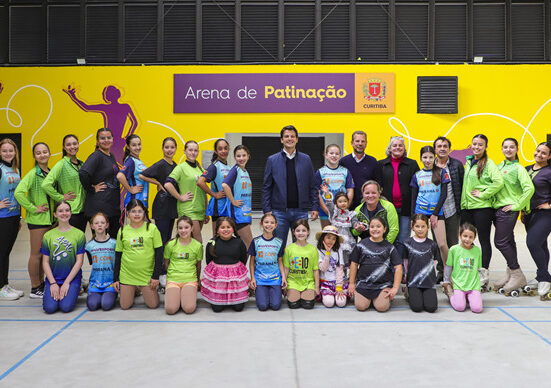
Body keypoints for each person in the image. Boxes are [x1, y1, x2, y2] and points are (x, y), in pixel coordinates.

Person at [262, 125, 319, 247]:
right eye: (286, 136)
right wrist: (267, 210)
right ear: (281, 140)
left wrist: (314, 206)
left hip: (301, 212)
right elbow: (267, 187)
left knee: (299, 247)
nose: (289, 138)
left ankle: (296, 267)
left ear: (297, 139)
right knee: (278, 247)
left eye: (292, 136)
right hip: (279, 212)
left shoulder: (306, 159)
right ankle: (280, 267)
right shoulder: (272, 160)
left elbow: (313, 185)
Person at [461, 134, 504, 291]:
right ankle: (467, 270)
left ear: (485, 146)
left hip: (482, 208)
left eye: (480, 145)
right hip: (466, 208)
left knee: (484, 241)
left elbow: (498, 182)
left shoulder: (489, 163)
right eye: (474, 144)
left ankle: (483, 274)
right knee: (466, 241)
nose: (477, 147)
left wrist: (483, 194)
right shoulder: (468, 161)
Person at [492, 138, 534, 295]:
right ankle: (510, 274)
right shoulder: (498, 167)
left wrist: (518, 206)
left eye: (511, 147)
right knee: (508, 241)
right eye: (505, 147)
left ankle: (517, 273)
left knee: (500, 242)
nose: (508, 149)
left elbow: (529, 188)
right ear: (501, 149)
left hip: (508, 210)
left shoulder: (518, 168)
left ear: (516, 149)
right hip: (497, 210)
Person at [15, 142, 54, 299]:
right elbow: (19, 193)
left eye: (45, 152)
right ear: (34, 156)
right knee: (36, 255)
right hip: (38, 221)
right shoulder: (32, 174)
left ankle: (42, 283)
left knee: (45, 255)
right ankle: (35, 287)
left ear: (50, 153)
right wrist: (33, 208)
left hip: (50, 220)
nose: (42, 155)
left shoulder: (50, 172)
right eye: (38, 153)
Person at [113, 199, 163, 310]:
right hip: (127, 274)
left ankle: (141, 288)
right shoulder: (122, 231)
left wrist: (155, 276)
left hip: (146, 275)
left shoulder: (152, 228)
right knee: (125, 306)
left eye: (139, 211)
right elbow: (118, 255)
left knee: (153, 305)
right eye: (133, 211)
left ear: (144, 212)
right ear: (127, 213)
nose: (136, 214)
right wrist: (116, 278)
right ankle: (134, 289)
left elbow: (159, 254)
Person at [410, 145, 450, 275]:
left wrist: (434, 214)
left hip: (437, 213)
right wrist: (413, 217)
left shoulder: (442, 172)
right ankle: (424, 273)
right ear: (421, 158)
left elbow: (444, 195)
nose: (428, 160)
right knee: (422, 246)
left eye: (431, 157)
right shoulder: (417, 175)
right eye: (425, 157)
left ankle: (448, 274)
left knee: (442, 244)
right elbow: (413, 197)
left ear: (435, 157)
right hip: (420, 214)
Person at [348, 216, 403, 312]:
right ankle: (369, 299)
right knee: (361, 306)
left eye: (378, 226)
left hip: (382, 285)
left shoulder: (390, 247)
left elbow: (398, 267)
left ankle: (379, 299)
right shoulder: (361, 245)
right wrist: (352, 283)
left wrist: (394, 288)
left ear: (384, 229)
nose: (375, 229)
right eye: (372, 227)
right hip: (364, 284)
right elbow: (354, 264)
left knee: (381, 307)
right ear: (369, 228)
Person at [41, 201, 86, 314]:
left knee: (66, 307)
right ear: (55, 214)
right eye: (60, 211)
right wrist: (52, 283)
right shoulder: (48, 235)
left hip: (71, 278)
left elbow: (79, 262)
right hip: (54, 278)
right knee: (50, 308)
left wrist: (67, 283)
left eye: (67, 210)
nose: (64, 213)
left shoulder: (79, 234)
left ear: (71, 213)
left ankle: (76, 287)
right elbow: (45, 262)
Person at [378, 136, 420, 256]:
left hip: (406, 209)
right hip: (387, 209)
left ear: (404, 148)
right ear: (390, 148)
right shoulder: (381, 164)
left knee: (402, 240)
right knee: (388, 238)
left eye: (400, 145)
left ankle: (400, 268)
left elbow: (417, 187)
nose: (397, 147)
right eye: (394, 145)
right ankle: (388, 267)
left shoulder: (412, 164)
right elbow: (377, 186)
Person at [201, 217, 249, 312]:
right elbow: (209, 260)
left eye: (228, 227)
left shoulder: (239, 242)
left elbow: (243, 259)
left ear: (233, 229)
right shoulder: (212, 243)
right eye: (222, 227)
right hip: (219, 279)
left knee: (238, 308)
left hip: (234, 278)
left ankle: (234, 298)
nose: (226, 230)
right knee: (217, 309)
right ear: (217, 230)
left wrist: (234, 269)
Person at [79, 128, 121, 237]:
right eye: (102, 138)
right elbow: (83, 173)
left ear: (112, 139)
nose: (106, 140)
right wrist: (91, 188)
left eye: (109, 137)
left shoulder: (110, 156)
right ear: (97, 141)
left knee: (114, 242)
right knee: (98, 244)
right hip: (99, 207)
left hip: (112, 206)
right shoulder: (96, 156)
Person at [42, 134, 87, 232]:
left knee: (80, 242)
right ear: (64, 147)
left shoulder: (81, 163)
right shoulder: (61, 164)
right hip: (71, 211)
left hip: (83, 211)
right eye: (68, 145)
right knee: (70, 243)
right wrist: (61, 197)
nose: (72, 147)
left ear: (78, 144)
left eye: (74, 144)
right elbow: (46, 184)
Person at [165, 140, 208, 243]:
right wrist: (180, 197)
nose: (193, 152)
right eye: (190, 150)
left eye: (195, 150)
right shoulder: (181, 168)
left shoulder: (200, 169)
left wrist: (206, 212)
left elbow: (204, 191)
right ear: (185, 151)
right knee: (198, 243)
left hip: (200, 210)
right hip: (188, 210)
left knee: (191, 243)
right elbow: (167, 184)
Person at [524, 142, 551, 299]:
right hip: (529, 213)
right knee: (541, 244)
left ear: (549, 156)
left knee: (532, 242)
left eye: (544, 153)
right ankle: (541, 275)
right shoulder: (527, 169)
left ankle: (545, 277)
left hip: (545, 214)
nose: (539, 154)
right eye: (538, 151)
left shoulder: (549, 171)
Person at [139, 137, 178, 244]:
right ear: (162, 148)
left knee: (168, 239)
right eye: (166, 147)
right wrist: (157, 183)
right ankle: (159, 261)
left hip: (172, 206)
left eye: (172, 147)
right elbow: (142, 175)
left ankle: (165, 261)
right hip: (162, 205)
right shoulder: (160, 164)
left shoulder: (175, 165)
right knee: (161, 240)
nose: (169, 150)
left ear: (176, 149)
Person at [164, 216, 203, 315]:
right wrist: (171, 277)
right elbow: (166, 263)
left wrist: (197, 280)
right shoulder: (170, 245)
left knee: (189, 309)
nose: (183, 230)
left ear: (192, 228)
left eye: (186, 227)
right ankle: (177, 296)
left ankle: (185, 296)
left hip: (189, 280)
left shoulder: (197, 246)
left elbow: (198, 266)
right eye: (180, 228)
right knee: (170, 309)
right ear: (177, 229)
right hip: (173, 280)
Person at [442, 223, 483, 313]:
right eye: (465, 236)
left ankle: (468, 297)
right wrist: (446, 281)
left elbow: (479, 269)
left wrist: (480, 283)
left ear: (474, 238)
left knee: (477, 309)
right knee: (460, 307)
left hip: (473, 284)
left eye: (470, 237)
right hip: (458, 284)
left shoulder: (477, 250)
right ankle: (450, 294)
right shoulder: (454, 249)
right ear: (459, 235)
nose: (467, 239)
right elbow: (449, 266)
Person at [249, 213, 286, 311]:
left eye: (272, 223)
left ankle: (274, 292)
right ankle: (263, 293)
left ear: (276, 225)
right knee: (262, 306)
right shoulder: (256, 241)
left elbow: (280, 261)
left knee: (275, 306)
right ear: (261, 224)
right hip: (260, 278)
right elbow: (252, 261)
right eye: (266, 222)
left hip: (275, 278)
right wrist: (252, 278)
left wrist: (283, 277)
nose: (269, 225)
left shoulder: (279, 242)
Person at [433, 136, 464, 251]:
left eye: (445, 146)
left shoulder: (457, 165)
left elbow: (462, 186)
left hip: (453, 210)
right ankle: (441, 268)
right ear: (435, 149)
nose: (442, 149)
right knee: (439, 244)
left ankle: (453, 268)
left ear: (449, 149)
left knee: (453, 243)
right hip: (436, 211)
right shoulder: (430, 166)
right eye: (439, 146)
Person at [403, 215, 439, 313]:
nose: (420, 229)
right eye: (417, 226)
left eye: (423, 226)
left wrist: (433, 277)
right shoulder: (407, 242)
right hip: (413, 281)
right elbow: (405, 261)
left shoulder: (432, 244)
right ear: (412, 227)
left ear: (428, 227)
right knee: (417, 307)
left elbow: (435, 262)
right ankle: (409, 291)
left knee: (431, 308)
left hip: (428, 281)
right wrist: (406, 275)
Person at [0, 138, 22, 301]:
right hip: (2, 217)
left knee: (6, 252)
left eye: (10, 150)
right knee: (1, 252)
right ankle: (1, 287)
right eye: (4, 150)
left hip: (13, 216)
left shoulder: (15, 169)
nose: (8, 153)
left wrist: (19, 216)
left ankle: (5, 284)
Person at [339, 130, 382, 210]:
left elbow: (378, 182)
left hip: (368, 205)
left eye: (363, 141)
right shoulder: (343, 161)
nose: (360, 144)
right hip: (347, 205)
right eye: (357, 141)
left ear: (366, 143)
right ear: (352, 143)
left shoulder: (373, 161)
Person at [315, 144, 354, 228]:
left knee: (342, 236)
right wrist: (325, 209)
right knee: (327, 235)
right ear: (326, 155)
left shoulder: (345, 171)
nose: (334, 156)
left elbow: (350, 190)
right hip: (325, 210)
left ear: (340, 156)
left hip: (342, 210)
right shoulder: (320, 172)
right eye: (331, 153)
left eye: (337, 154)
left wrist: (346, 206)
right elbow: (317, 193)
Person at [283, 219, 319, 309]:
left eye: (304, 230)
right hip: (293, 282)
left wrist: (316, 287)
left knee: (308, 305)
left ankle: (306, 294)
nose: (301, 233)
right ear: (293, 232)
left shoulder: (313, 249)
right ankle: (294, 294)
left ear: (308, 232)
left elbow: (315, 270)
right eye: (298, 231)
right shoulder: (289, 249)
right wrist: (284, 285)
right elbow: (286, 268)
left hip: (308, 282)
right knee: (294, 305)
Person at [197, 139, 231, 236]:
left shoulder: (229, 167)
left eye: (225, 148)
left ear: (229, 150)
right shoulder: (214, 167)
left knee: (226, 237)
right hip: (218, 208)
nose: (223, 151)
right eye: (220, 149)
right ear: (216, 151)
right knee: (217, 238)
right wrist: (214, 194)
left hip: (227, 207)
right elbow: (200, 182)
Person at [222, 145, 253, 250]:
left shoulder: (245, 171)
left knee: (244, 246)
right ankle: (241, 267)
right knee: (250, 245)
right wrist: (233, 201)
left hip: (245, 213)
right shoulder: (235, 170)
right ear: (235, 157)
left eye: (244, 155)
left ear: (248, 156)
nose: (241, 158)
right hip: (238, 215)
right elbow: (225, 185)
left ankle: (238, 266)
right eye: (238, 156)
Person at [85, 212, 117, 311]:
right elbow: (92, 263)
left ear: (107, 225)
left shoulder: (114, 243)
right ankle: (95, 295)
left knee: (106, 305)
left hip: (110, 283)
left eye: (102, 223)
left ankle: (110, 295)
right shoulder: (89, 246)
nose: (99, 225)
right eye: (96, 223)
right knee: (92, 306)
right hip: (95, 283)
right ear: (92, 226)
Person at [320, 187, 358, 265]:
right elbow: (330, 205)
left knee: (346, 260)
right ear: (336, 203)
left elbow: (355, 222)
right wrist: (327, 194)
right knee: (335, 259)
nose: (343, 203)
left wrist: (358, 226)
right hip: (335, 239)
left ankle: (346, 275)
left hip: (347, 239)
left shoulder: (351, 214)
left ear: (348, 202)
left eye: (345, 201)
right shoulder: (334, 213)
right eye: (340, 201)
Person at [316, 225, 347, 308]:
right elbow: (323, 268)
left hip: (337, 282)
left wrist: (339, 286)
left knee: (341, 303)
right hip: (325, 282)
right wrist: (327, 253)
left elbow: (339, 268)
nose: (331, 241)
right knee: (329, 303)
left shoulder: (338, 249)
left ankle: (338, 292)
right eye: (328, 237)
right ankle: (324, 295)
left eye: (334, 238)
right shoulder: (318, 250)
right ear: (323, 238)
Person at [117, 134, 149, 209]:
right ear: (128, 147)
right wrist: (130, 189)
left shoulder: (137, 160)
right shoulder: (130, 160)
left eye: (139, 144)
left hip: (141, 201)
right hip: (134, 202)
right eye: (134, 145)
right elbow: (120, 176)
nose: (137, 147)